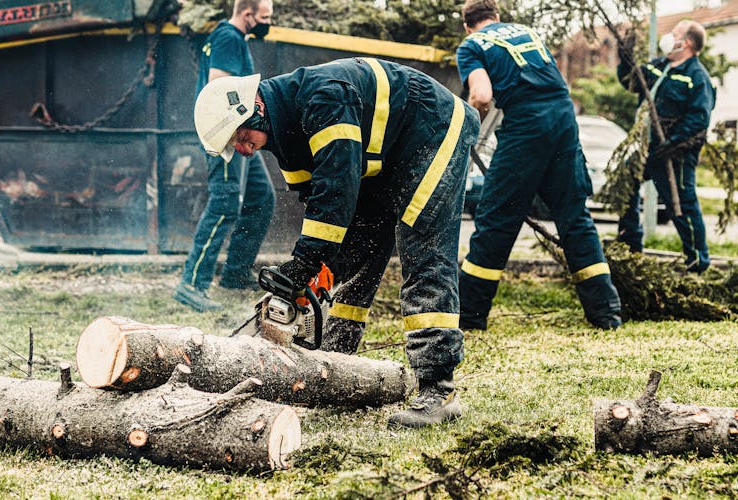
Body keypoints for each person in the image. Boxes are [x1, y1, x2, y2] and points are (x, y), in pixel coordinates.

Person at [193, 58, 480, 427]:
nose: (244, 150)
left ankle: (439, 390)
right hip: (380, 161)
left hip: (433, 129)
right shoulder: (282, 139)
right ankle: (337, 361)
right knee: (358, 255)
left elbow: (336, 191)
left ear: (256, 109)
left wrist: (303, 264)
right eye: (236, 144)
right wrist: (314, 273)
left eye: (241, 137)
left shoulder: (324, 98)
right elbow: (320, 205)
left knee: (423, 250)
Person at [456, 0, 622, 330]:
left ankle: (470, 316)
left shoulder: (471, 45)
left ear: (466, 24)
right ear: (497, 16)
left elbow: (482, 96)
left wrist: (467, 130)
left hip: (526, 124)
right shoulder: (527, 32)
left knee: (497, 218)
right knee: (574, 216)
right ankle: (607, 314)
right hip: (563, 118)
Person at [174, 0, 276, 312]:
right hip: (227, 134)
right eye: (264, 17)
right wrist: (238, 131)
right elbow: (218, 88)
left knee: (262, 197)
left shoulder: (230, 38)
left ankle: (234, 275)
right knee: (224, 204)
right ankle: (192, 284)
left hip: (237, 132)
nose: (267, 23)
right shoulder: (228, 38)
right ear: (248, 15)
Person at [616, 20, 716, 273]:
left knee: (680, 203)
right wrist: (626, 59)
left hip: (677, 153)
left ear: (688, 43)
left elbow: (699, 119)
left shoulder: (697, 77)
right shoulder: (660, 66)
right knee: (626, 181)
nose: (669, 37)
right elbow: (632, 82)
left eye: (675, 34)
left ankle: (697, 261)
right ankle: (629, 245)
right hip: (648, 147)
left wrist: (673, 144)